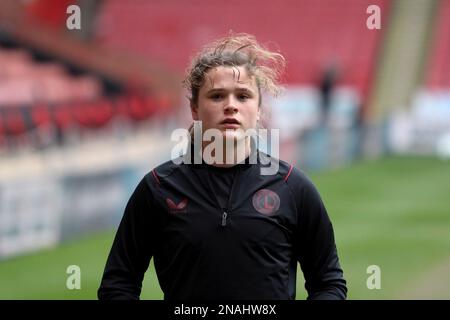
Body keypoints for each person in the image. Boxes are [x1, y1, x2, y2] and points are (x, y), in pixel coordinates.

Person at [98, 33, 347, 300]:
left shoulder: (293, 187)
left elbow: (328, 283)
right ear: (194, 108)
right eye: (217, 96)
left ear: (259, 109)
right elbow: (118, 284)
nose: (231, 106)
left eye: (243, 96)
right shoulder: (158, 188)